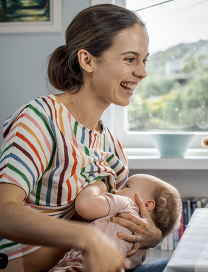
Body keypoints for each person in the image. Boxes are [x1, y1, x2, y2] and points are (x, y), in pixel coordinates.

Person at [0, 4, 168, 272]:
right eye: (129, 59)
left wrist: (152, 236)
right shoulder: (40, 119)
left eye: (144, 60)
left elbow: (117, 216)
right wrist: (85, 236)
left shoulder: (112, 148)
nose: (142, 72)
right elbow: (3, 213)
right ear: (87, 60)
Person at [49, 174, 182, 271]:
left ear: (147, 204)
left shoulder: (126, 203)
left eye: (127, 186)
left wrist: (97, 186)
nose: (115, 190)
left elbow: (84, 205)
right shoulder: (142, 249)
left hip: (81, 265)